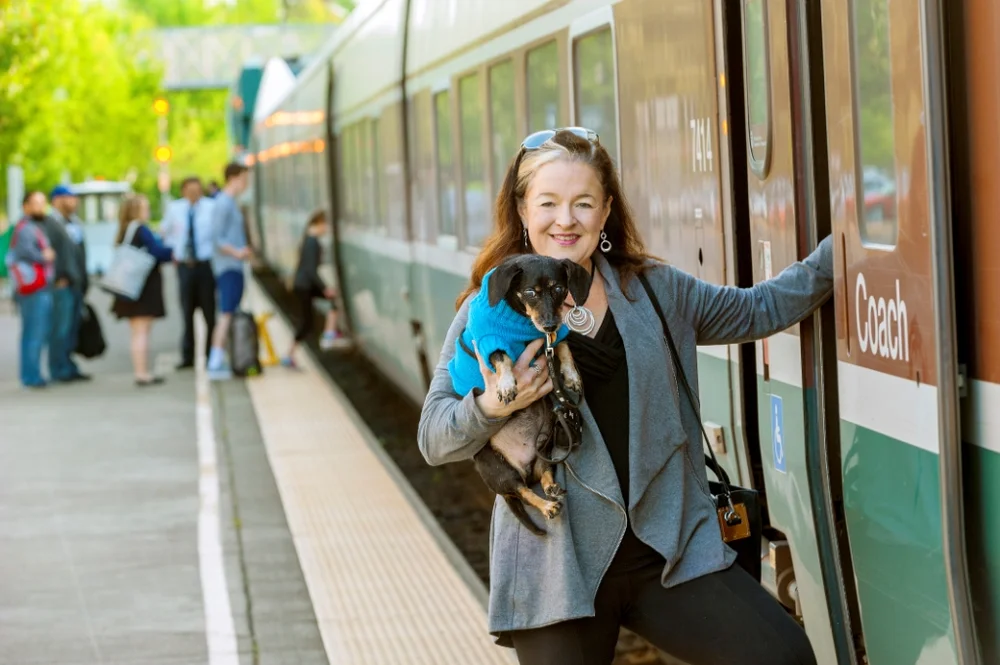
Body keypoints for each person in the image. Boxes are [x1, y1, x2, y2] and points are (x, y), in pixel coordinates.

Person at [417, 128, 833, 665]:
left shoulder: (656, 290)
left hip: (667, 553)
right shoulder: (488, 307)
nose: (565, 219)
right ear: (523, 210)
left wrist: (841, 247)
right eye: (548, 203)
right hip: (556, 567)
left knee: (783, 656)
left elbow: (759, 310)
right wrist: (495, 406)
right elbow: (434, 437)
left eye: (583, 203)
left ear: (606, 211)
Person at [110, 194, 173, 386]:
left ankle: (142, 371)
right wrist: (173, 250)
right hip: (142, 288)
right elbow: (158, 252)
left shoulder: (125, 229)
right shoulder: (140, 229)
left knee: (137, 331)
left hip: (130, 287)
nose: (147, 211)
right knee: (142, 331)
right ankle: (142, 373)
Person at [159, 176, 216, 370]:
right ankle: (188, 355)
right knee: (187, 311)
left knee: (209, 312)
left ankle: (211, 355)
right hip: (185, 266)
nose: (195, 194)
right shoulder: (175, 209)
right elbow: (165, 232)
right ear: (183, 191)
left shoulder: (211, 207)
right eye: (191, 191)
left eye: (198, 190)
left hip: (205, 265)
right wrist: (172, 252)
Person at [280, 210, 348, 368]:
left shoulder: (309, 240)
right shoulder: (312, 242)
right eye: (325, 225)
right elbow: (311, 270)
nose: (326, 229)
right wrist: (325, 288)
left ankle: (329, 333)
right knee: (306, 323)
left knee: (331, 303)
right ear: (318, 224)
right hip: (305, 285)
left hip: (304, 285)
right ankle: (289, 354)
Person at [6, 191, 56, 389]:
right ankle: (31, 376)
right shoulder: (27, 228)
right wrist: (46, 255)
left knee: (33, 333)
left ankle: (31, 374)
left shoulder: (31, 226)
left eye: (42, 203)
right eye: (35, 203)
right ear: (25, 205)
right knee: (34, 333)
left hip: (35, 288)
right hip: (34, 288)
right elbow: (28, 253)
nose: (40, 207)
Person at [207, 162, 251, 380]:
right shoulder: (223, 204)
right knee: (226, 314)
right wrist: (237, 252)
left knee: (230, 312)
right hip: (228, 267)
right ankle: (215, 361)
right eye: (244, 178)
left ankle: (220, 358)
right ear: (234, 178)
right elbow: (216, 238)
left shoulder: (230, 203)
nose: (246, 183)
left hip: (233, 266)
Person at [40, 186, 87, 383]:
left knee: (71, 328)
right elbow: (49, 253)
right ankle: (58, 368)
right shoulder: (50, 222)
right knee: (60, 328)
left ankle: (68, 365)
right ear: (57, 200)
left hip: (77, 283)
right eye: (70, 198)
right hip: (61, 283)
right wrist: (58, 278)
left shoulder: (74, 222)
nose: (74, 201)